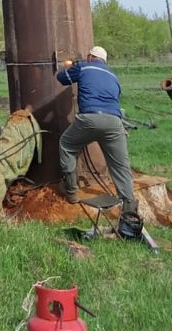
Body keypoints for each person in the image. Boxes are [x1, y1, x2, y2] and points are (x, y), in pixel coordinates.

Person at [56, 44, 139, 217]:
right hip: (114, 122)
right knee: (120, 164)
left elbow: (62, 78)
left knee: (67, 144)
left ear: (90, 57)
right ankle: (129, 204)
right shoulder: (113, 76)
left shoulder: (84, 66)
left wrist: (68, 66)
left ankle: (71, 191)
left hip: (89, 119)